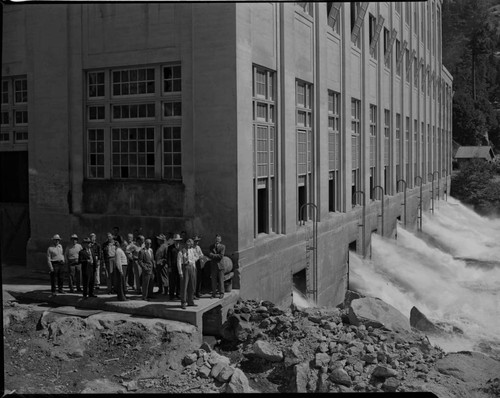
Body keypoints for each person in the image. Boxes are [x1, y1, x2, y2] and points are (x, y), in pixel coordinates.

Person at [178, 238, 197, 309]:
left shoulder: (192, 250)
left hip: (191, 267)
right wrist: (180, 272)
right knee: (184, 286)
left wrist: (194, 268)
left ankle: (190, 301)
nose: (190, 245)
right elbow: (179, 263)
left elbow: (193, 259)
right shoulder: (181, 252)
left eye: (191, 244)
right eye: (189, 243)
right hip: (185, 268)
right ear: (186, 244)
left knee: (191, 285)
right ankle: (183, 302)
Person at [208, 234, 226, 299]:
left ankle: (221, 293)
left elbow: (221, 256)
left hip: (220, 266)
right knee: (213, 280)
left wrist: (213, 255)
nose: (217, 240)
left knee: (221, 280)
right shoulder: (211, 246)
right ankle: (213, 293)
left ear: (220, 240)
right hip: (213, 266)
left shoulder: (223, 247)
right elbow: (209, 254)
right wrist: (215, 255)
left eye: (218, 239)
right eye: (216, 239)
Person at [167, 234, 183, 300]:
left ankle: (178, 294)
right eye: (176, 240)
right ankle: (171, 295)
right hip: (173, 266)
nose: (177, 241)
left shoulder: (181, 247)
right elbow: (168, 258)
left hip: (179, 266)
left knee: (179, 281)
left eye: (178, 240)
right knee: (172, 281)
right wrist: (169, 266)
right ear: (174, 240)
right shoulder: (170, 247)